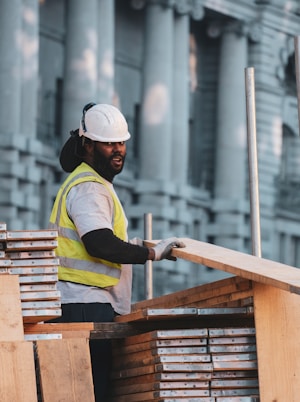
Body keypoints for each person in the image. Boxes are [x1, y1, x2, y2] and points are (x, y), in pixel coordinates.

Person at [48, 102, 185, 401]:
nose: (118, 150)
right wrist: (150, 254)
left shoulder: (94, 184)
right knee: (90, 392)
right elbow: (99, 242)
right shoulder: (89, 188)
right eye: (108, 143)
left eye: (121, 142)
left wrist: (138, 247)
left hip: (83, 302)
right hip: (83, 304)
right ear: (87, 146)